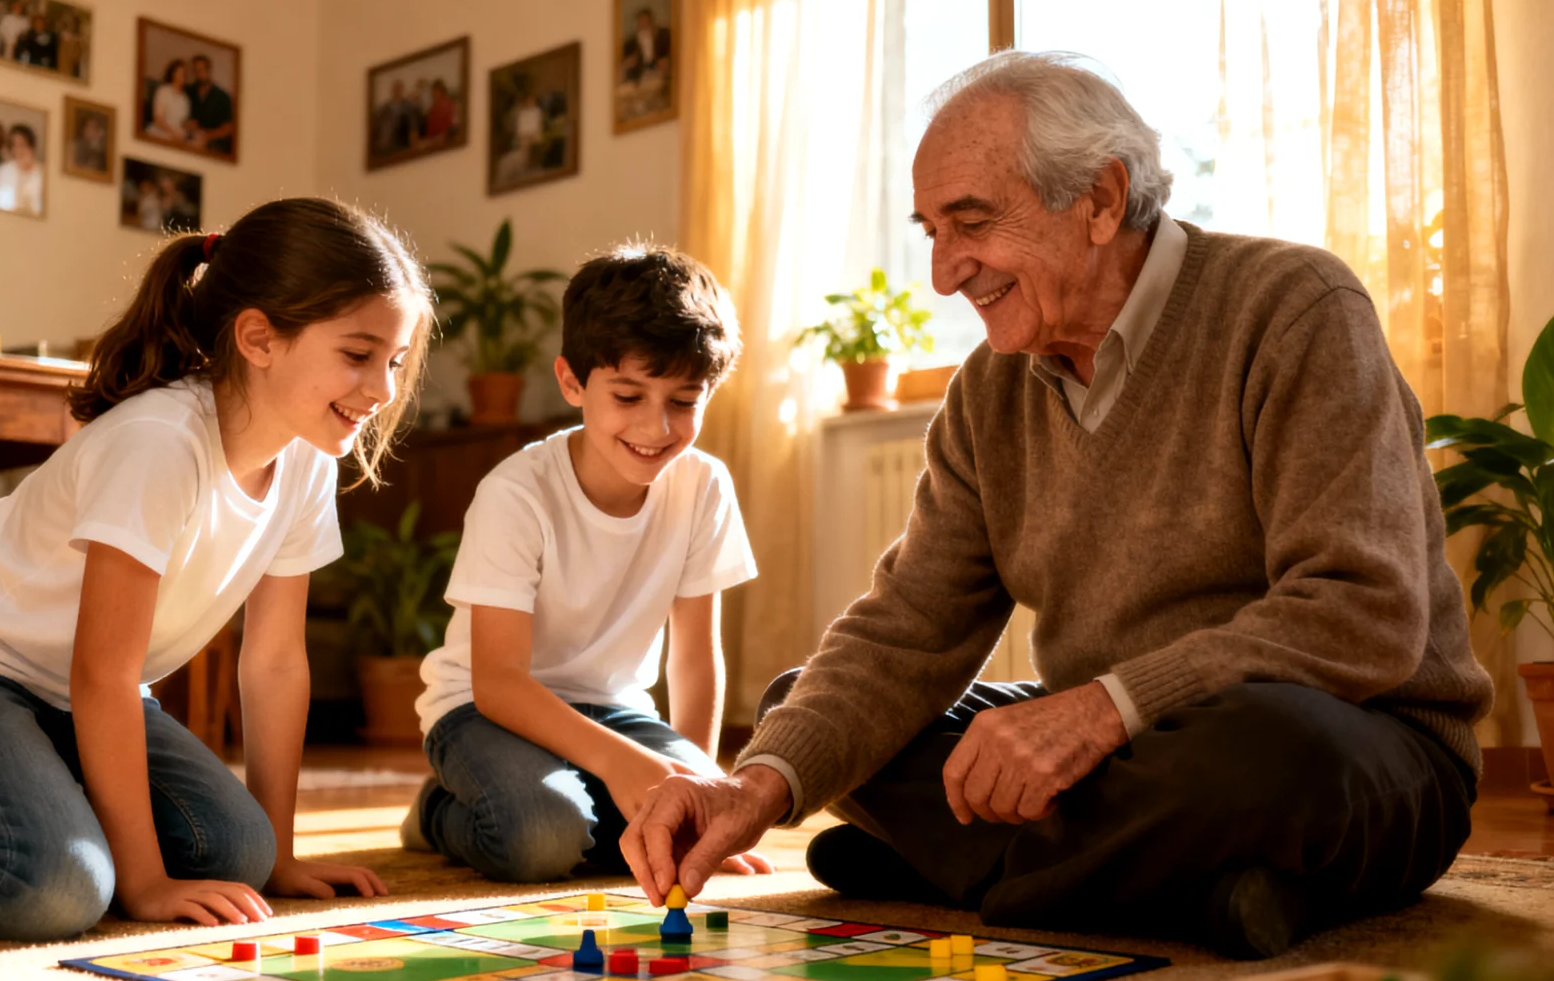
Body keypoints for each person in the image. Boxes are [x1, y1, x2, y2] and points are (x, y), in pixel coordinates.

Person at [620, 51, 1494, 961]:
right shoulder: (987, 395)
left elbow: (1363, 614)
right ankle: (1191, 891)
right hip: (1130, 751)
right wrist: (750, 787)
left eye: (971, 223)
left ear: (1102, 200)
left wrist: (1103, 709)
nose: (944, 272)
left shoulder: (1295, 309)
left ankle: (975, 870)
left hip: (1357, 737)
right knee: (804, 709)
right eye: (929, 230)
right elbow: (907, 630)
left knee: (1268, 747)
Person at [0, 197, 432, 940]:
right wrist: (141, 882)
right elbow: (102, 675)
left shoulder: (304, 459)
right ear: (259, 338)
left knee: (239, 851)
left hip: (75, 695)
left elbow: (273, 662)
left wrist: (282, 855)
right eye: (359, 355)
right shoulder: (158, 443)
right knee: (56, 890)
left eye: (396, 361)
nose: (385, 390)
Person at [401, 246, 774, 885]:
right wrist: (626, 768)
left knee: (706, 816)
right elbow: (498, 683)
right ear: (572, 383)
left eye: (684, 401)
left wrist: (695, 795)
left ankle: (591, 798)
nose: (656, 427)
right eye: (628, 395)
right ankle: (437, 811)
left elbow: (694, 655)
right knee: (544, 838)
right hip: (482, 711)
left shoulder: (704, 485)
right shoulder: (516, 493)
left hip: (616, 711)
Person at [0, 124, 44, 216]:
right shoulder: (2, 171)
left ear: (31, 146)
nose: (18, 150)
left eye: (22, 144)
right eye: (14, 145)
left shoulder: (43, 173)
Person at [187, 55, 235, 156]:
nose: (199, 74)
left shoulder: (223, 97)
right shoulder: (189, 91)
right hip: (191, 136)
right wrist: (188, 124)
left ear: (209, 70)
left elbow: (228, 128)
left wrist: (208, 135)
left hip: (214, 142)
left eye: (202, 70)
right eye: (196, 71)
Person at [620, 8, 671, 86]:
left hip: (659, 73)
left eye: (646, 22)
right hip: (639, 77)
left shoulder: (664, 35)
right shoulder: (631, 42)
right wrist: (628, 62)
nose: (643, 26)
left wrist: (666, 61)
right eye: (640, 23)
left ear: (652, 22)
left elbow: (669, 54)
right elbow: (624, 62)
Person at [148, 59, 192, 143]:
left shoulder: (185, 98)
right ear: (173, 74)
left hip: (177, 137)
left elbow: (183, 123)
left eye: (184, 73)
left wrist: (188, 127)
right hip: (160, 133)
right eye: (180, 73)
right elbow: (158, 119)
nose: (182, 76)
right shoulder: (163, 91)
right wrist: (173, 132)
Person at [424, 78, 458, 143]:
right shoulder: (432, 109)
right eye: (432, 91)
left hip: (446, 140)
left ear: (441, 92)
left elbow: (451, 127)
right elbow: (430, 133)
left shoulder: (449, 105)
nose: (432, 94)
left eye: (435, 91)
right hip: (436, 141)